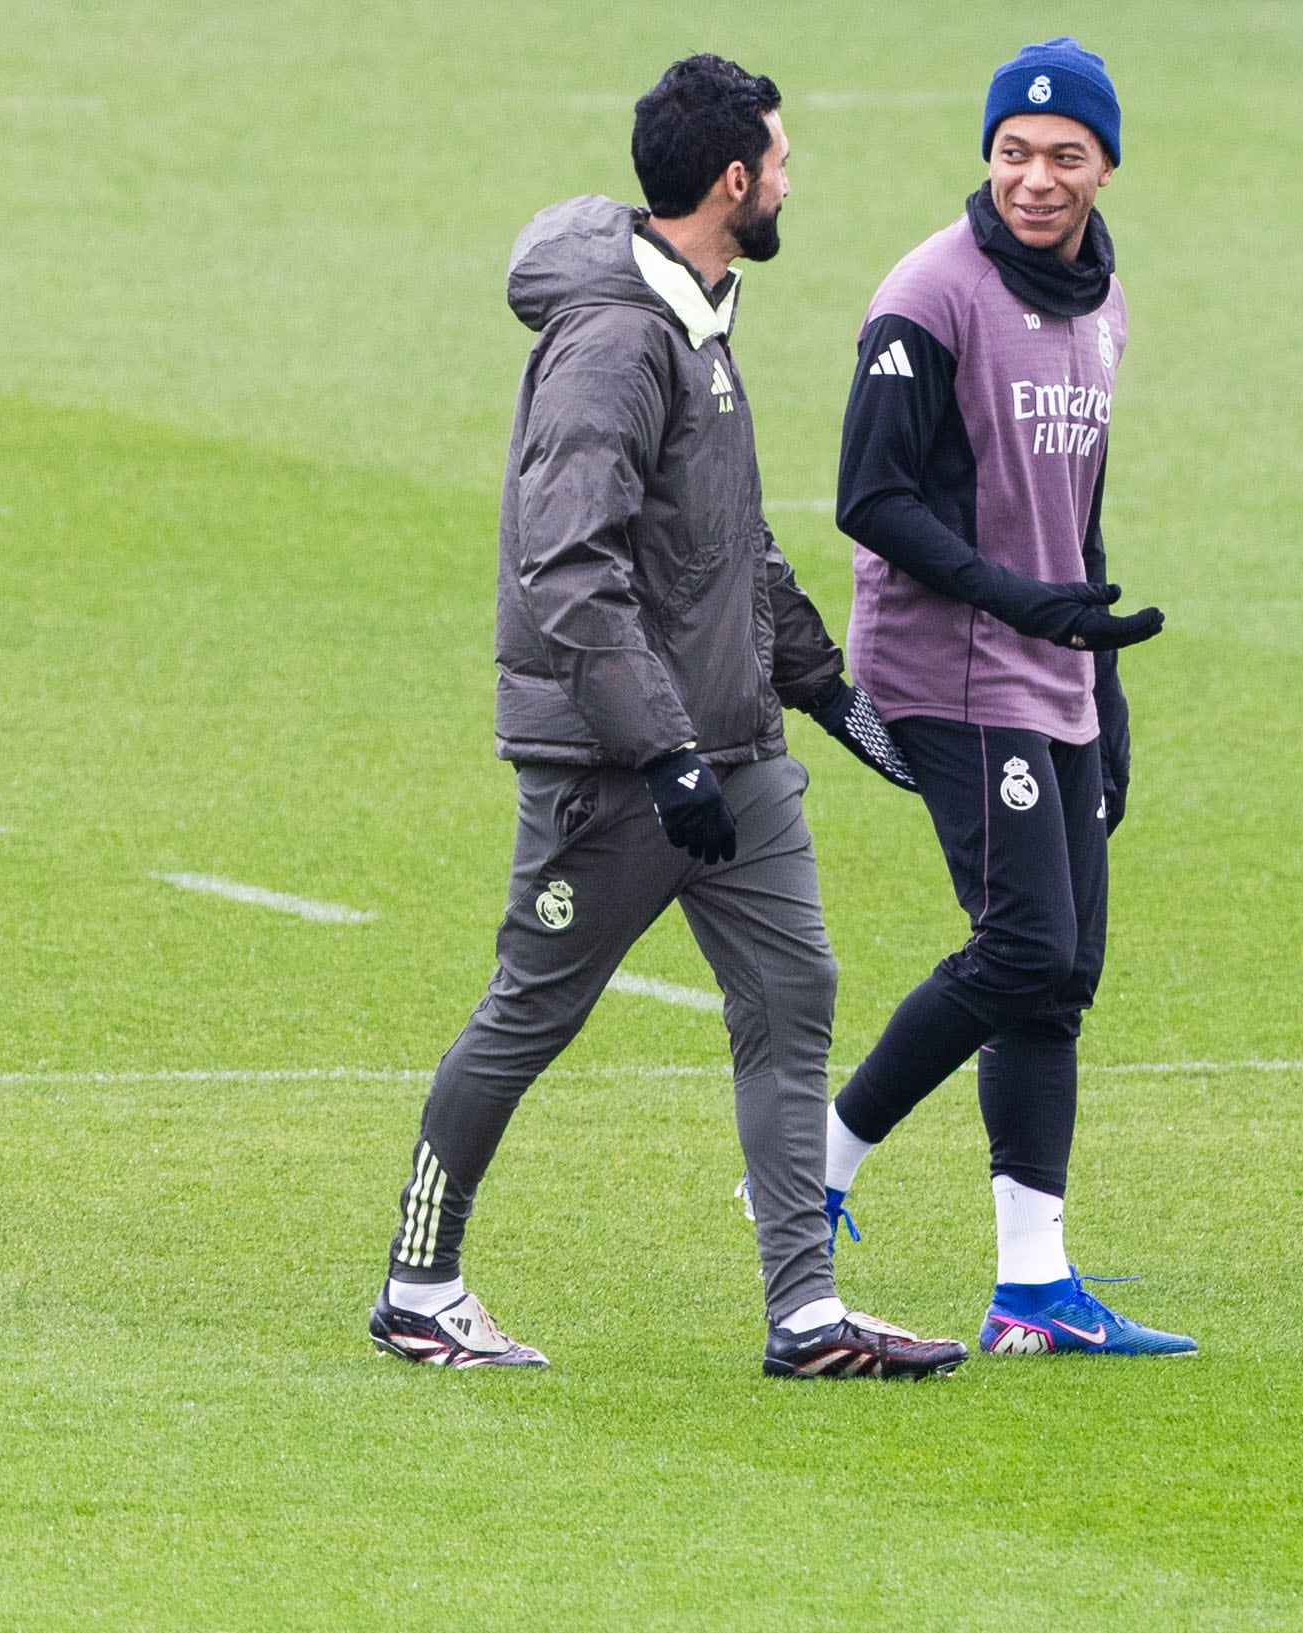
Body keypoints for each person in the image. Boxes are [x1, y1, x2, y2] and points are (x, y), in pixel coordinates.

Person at [371, 54, 967, 1379]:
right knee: (531, 1011)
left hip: (730, 748)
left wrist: (825, 689)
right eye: (783, 160)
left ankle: (805, 1315)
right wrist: (661, 748)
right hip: (619, 764)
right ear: (732, 180)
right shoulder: (616, 344)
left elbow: (726, 542)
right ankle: (419, 1285)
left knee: (792, 990)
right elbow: (566, 568)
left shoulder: (699, 317)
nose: (793, 180)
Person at [821, 39, 1198, 1357]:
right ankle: (819, 1159)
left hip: (1050, 671)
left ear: (1105, 167)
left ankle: (1031, 1292)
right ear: (986, 156)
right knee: (1026, 946)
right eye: (1013, 152)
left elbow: (1074, 520)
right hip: (949, 670)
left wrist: (1104, 692)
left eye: (1063, 156)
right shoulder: (928, 295)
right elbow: (868, 498)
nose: (1034, 178)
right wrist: (1016, 603)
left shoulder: (1103, 303)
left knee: (1061, 976)